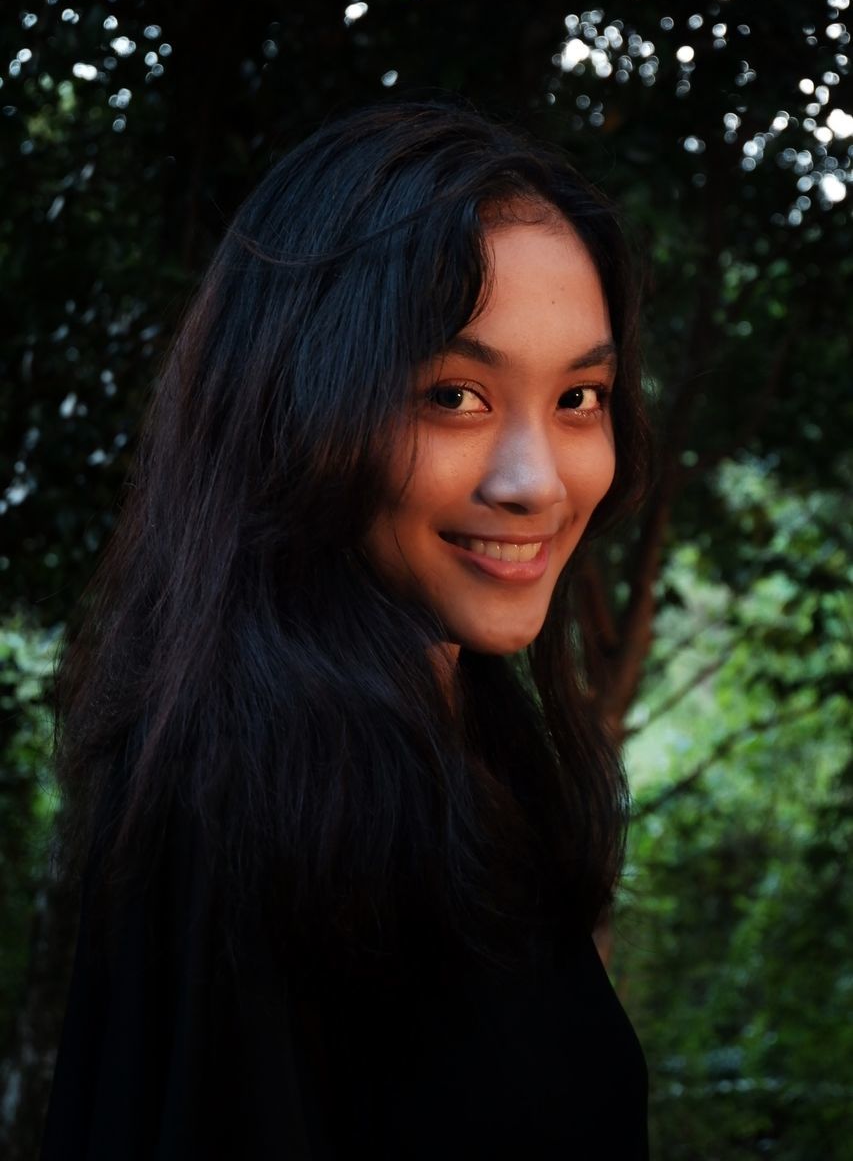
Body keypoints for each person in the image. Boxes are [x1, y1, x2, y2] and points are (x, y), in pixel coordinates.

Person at [41, 101, 652, 1159]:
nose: (536, 480)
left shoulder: (482, 749)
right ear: (298, 410)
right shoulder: (239, 802)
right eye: (453, 394)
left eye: (579, 397)